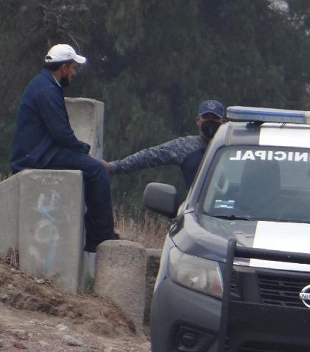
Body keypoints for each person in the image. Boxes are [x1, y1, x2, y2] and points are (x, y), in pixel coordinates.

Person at [10, 44, 118, 253]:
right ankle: (101, 236)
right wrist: (83, 148)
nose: (74, 73)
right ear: (64, 68)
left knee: (92, 169)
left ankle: (98, 234)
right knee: (97, 171)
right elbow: (61, 132)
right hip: (37, 156)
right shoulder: (47, 90)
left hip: (41, 151)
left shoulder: (45, 85)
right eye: (73, 68)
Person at [106, 100, 226, 188]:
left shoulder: (231, 146)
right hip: (198, 214)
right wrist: (114, 166)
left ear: (223, 122)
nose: (210, 122)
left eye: (214, 119)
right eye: (206, 117)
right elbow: (150, 155)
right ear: (197, 121)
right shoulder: (186, 147)